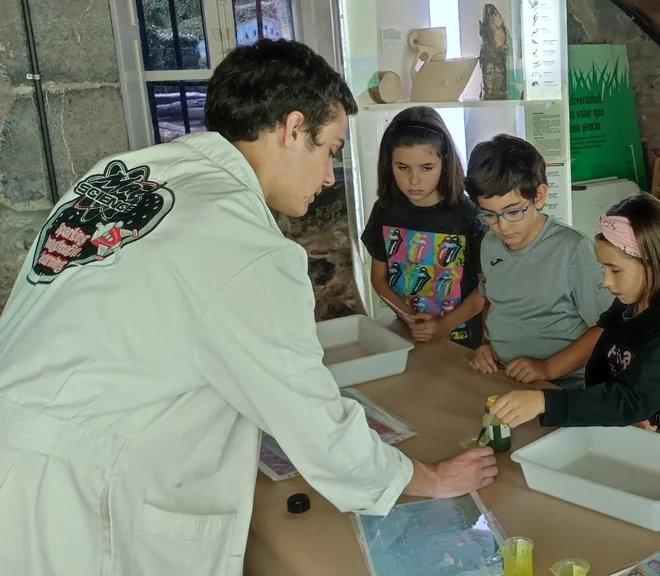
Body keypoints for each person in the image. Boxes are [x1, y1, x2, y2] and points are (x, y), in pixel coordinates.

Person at [0, 40, 497, 576]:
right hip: (76, 502)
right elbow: (314, 424)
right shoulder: (242, 244)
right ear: (293, 129)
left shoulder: (122, 176)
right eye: (329, 149)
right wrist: (429, 479)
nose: (329, 177)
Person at [488, 194, 660, 449]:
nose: (606, 281)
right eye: (603, 269)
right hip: (633, 438)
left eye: (615, 270)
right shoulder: (629, 302)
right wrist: (614, 414)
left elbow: (631, 400)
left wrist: (545, 402)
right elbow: (602, 342)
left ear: (653, 265)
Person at [461, 134, 614, 389]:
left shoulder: (573, 249)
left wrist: (547, 368)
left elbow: (607, 327)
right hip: (505, 376)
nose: (502, 226)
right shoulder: (489, 244)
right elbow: (493, 300)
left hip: (563, 385)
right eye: (489, 215)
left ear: (539, 196)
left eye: (513, 211)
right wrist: (486, 345)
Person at [361, 106, 486, 348]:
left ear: (445, 163)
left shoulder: (469, 215)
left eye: (427, 168)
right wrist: (411, 318)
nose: (414, 179)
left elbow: (486, 289)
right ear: (389, 165)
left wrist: (443, 326)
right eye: (402, 167)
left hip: (463, 345)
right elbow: (378, 279)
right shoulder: (384, 210)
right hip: (408, 337)